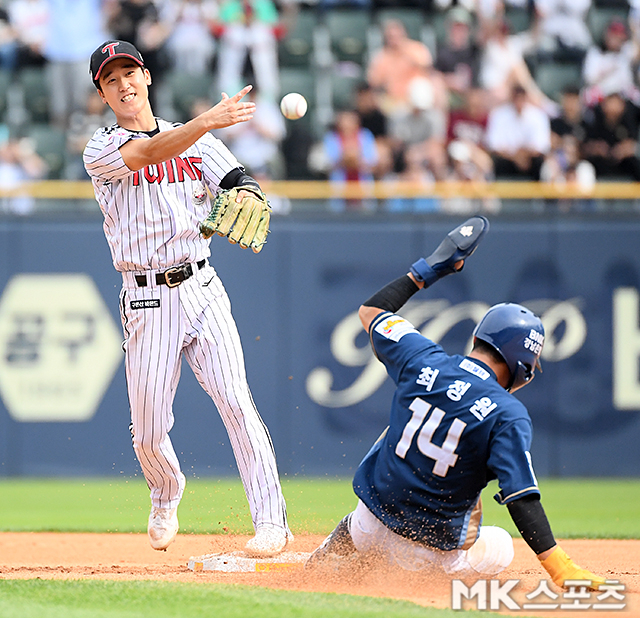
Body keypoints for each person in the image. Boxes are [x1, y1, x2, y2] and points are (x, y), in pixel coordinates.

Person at [305, 217, 605, 591]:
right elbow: (520, 497)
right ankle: (424, 585)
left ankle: (341, 546)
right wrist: (559, 567)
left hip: (367, 524)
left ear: (479, 338)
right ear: (523, 368)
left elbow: (371, 312)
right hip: (427, 556)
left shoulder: (424, 359)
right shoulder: (508, 414)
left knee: (393, 441)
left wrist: (426, 271)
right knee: (499, 546)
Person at [82, 40, 292, 556]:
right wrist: (206, 121)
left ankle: (271, 523)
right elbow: (152, 151)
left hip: (202, 286)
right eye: (112, 80)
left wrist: (248, 192)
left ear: (147, 76)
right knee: (149, 428)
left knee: (237, 403)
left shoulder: (198, 141)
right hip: (146, 297)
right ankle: (166, 488)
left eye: (130, 72)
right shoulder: (101, 149)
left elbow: (238, 178)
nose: (124, 84)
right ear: (103, 94)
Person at [485, 84, 550, 180]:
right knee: (494, 161)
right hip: (506, 160)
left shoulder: (538, 115)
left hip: (530, 161)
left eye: (521, 98)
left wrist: (523, 155)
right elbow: (493, 145)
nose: (519, 102)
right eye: (516, 98)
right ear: (511, 98)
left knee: (541, 162)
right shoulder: (498, 114)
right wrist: (516, 157)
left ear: (526, 98)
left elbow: (542, 146)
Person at [581, 89, 640, 181]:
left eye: (616, 103)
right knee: (586, 166)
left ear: (623, 105)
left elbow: (634, 144)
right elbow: (585, 146)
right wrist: (597, 148)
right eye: (610, 102)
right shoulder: (596, 120)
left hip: (624, 164)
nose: (613, 107)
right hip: (601, 164)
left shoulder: (630, 120)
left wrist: (624, 150)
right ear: (603, 105)